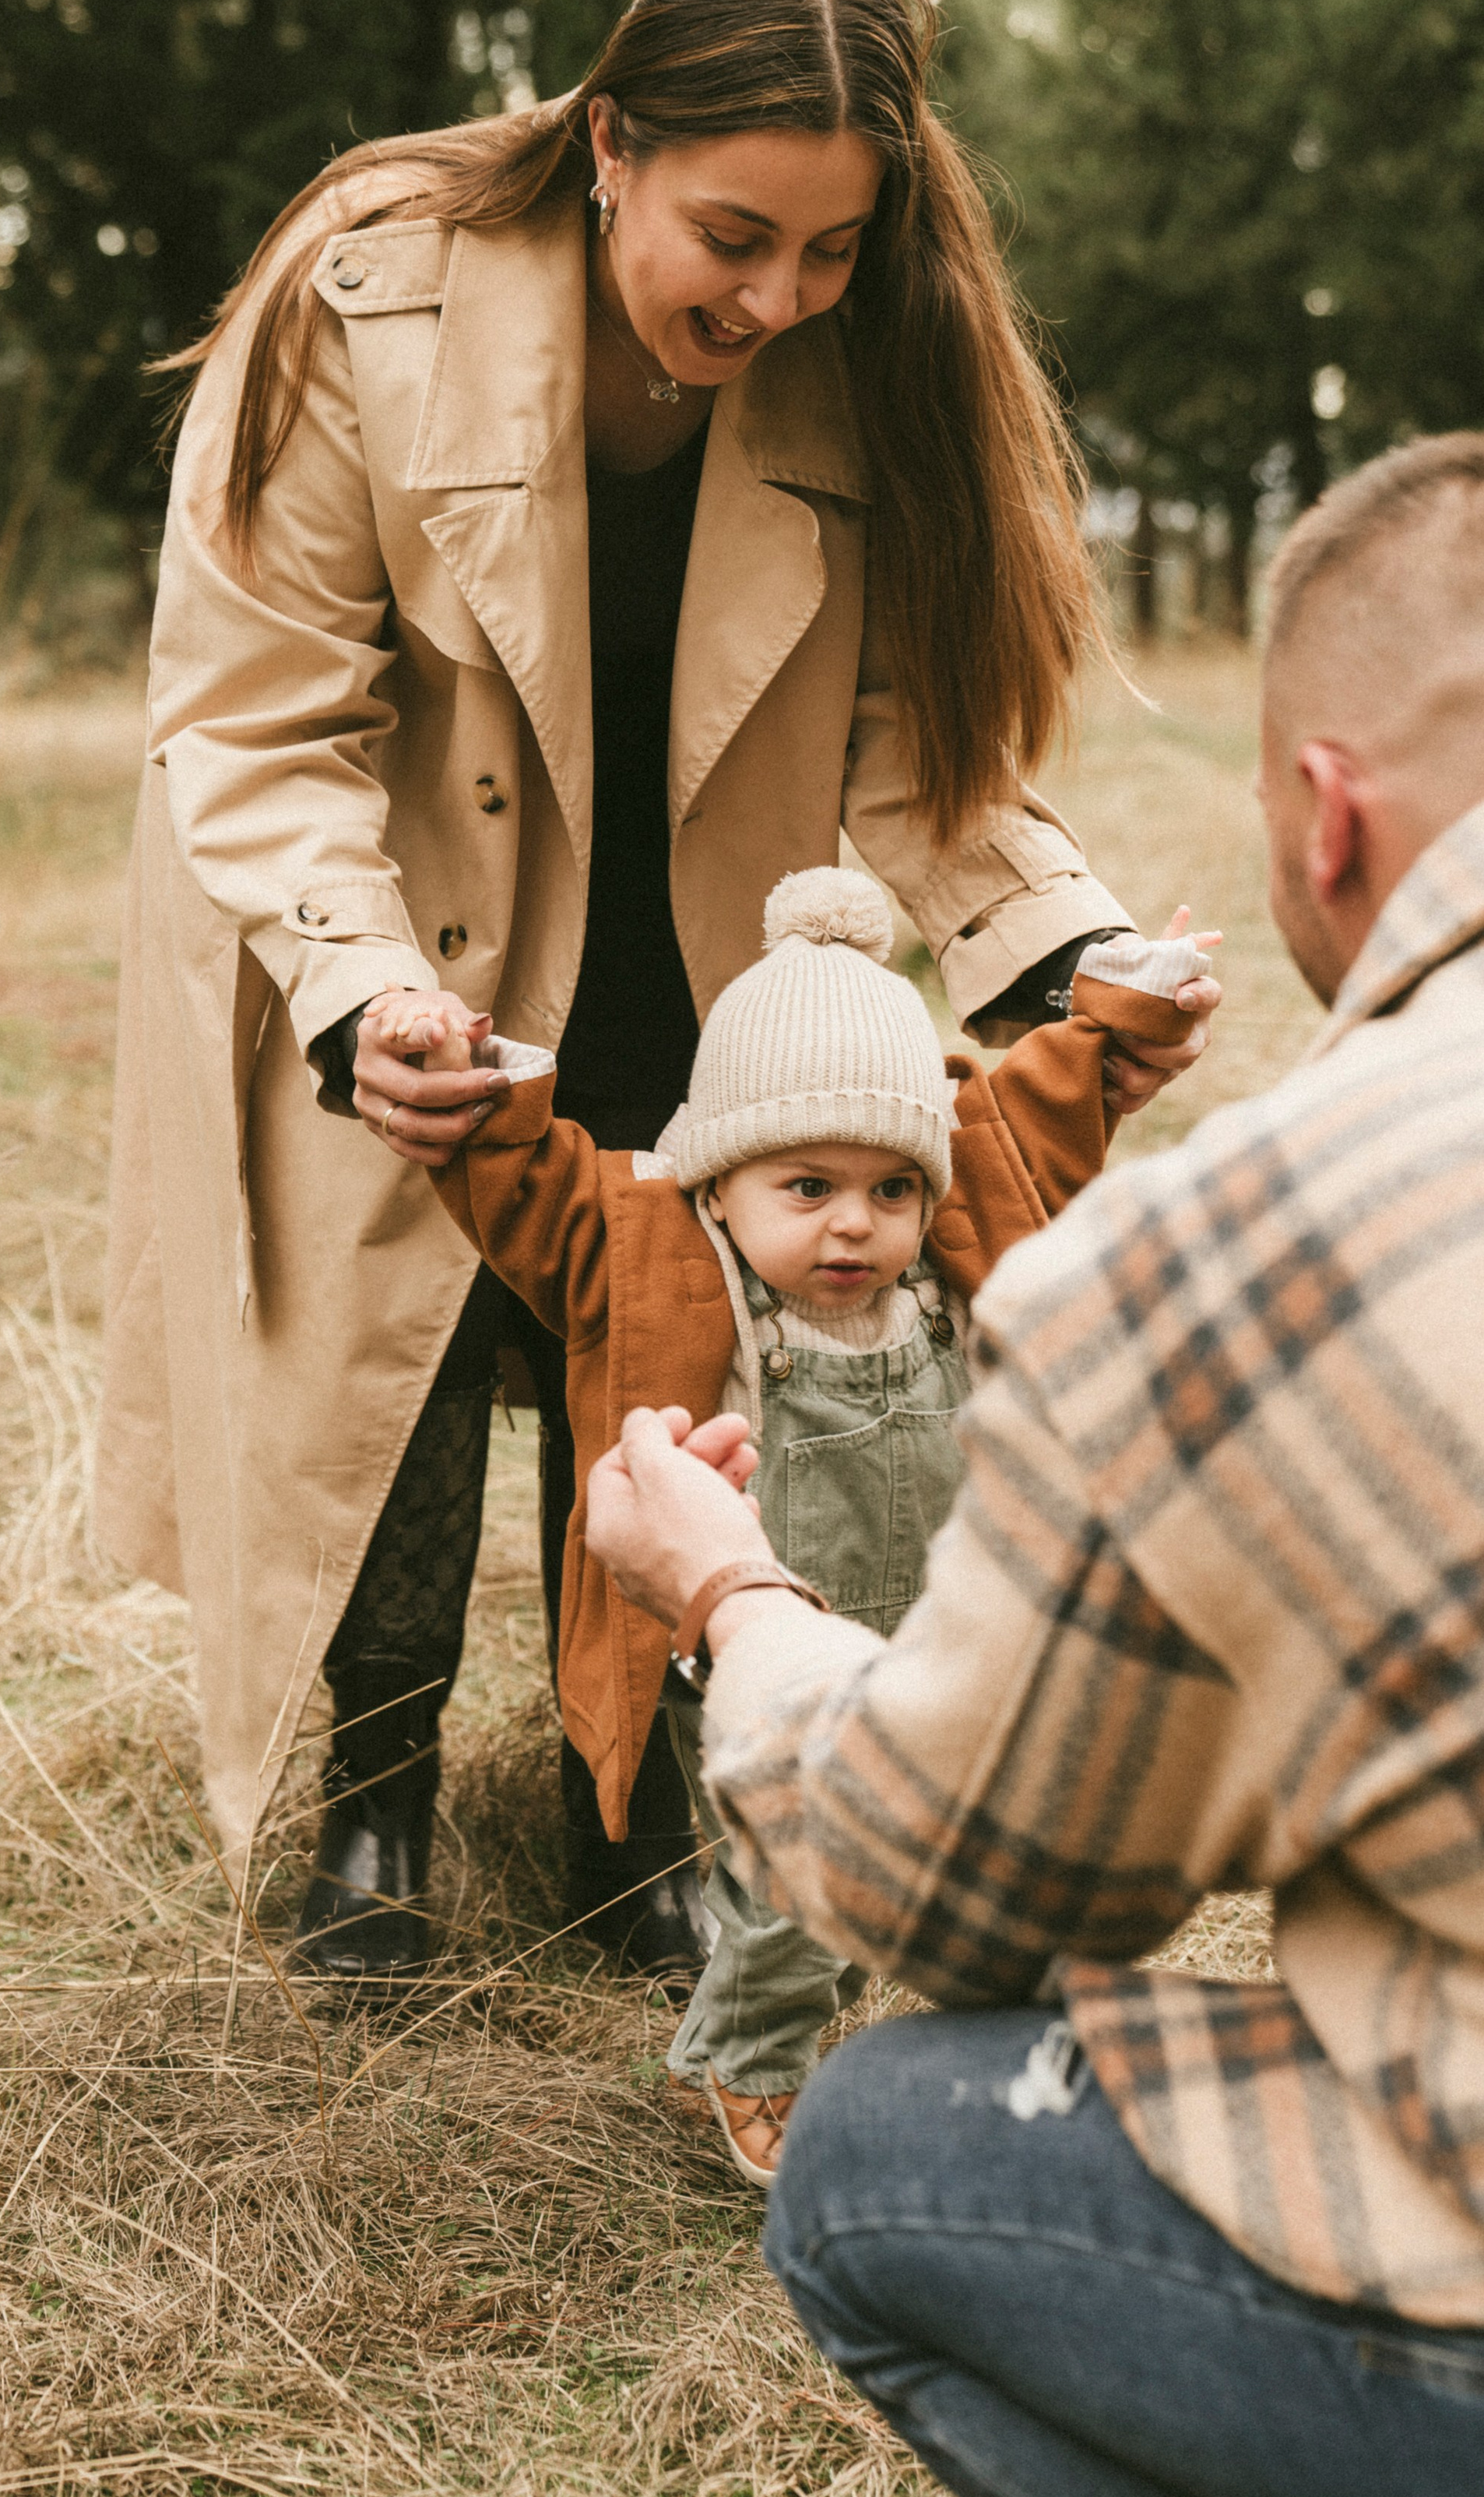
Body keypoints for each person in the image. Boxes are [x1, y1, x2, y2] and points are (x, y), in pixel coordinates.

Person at [97, 0, 1211, 1992]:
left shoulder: (867, 372)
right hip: (386, 936)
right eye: (732, 236)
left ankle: (632, 1810)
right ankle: (379, 1805)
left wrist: (1065, 957)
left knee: (666, 1354)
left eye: (829, 251)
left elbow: (916, 749)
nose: (778, 297)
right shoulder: (366, 293)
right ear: (608, 140)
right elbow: (258, 717)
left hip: (691, 965)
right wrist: (362, 992)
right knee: (399, 1366)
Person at [579, 434, 1484, 2497]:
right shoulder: (728, 1253)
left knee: (885, 2149)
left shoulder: (1254, 1257)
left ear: (1323, 810)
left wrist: (729, 1595)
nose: (866, 1228)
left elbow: (962, 1893)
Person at [371, 869, 1215, 2178]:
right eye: (806, 1187)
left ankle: (1014, 2060)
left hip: (950, 1630)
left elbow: (1043, 1104)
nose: (853, 1225)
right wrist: (465, 1068)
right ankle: (748, 2064)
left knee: (1011, 1849)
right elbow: (519, 1180)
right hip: (760, 1642)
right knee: (789, 1887)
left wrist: (1129, 1005)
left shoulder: (951, 1237)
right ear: (723, 1180)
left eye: (890, 1190)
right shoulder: (647, 1246)